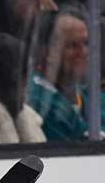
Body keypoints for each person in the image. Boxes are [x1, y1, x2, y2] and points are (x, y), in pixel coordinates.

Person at [28, 9, 93, 141]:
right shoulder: (36, 100)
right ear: (45, 51)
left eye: (86, 43)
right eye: (72, 45)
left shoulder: (85, 94)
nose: (84, 52)